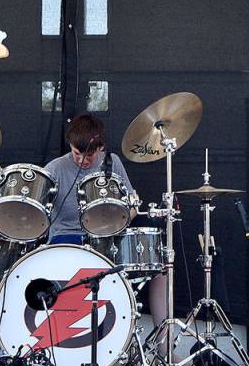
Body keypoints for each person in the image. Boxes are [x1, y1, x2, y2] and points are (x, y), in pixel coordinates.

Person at [43, 114, 170, 352]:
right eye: (76, 153)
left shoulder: (112, 163)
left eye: (88, 155)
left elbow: (132, 206)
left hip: (107, 239)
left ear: (100, 147)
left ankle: (165, 350)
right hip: (66, 240)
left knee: (159, 269)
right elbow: (39, 215)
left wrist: (117, 222)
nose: (81, 160)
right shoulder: (55, 169)